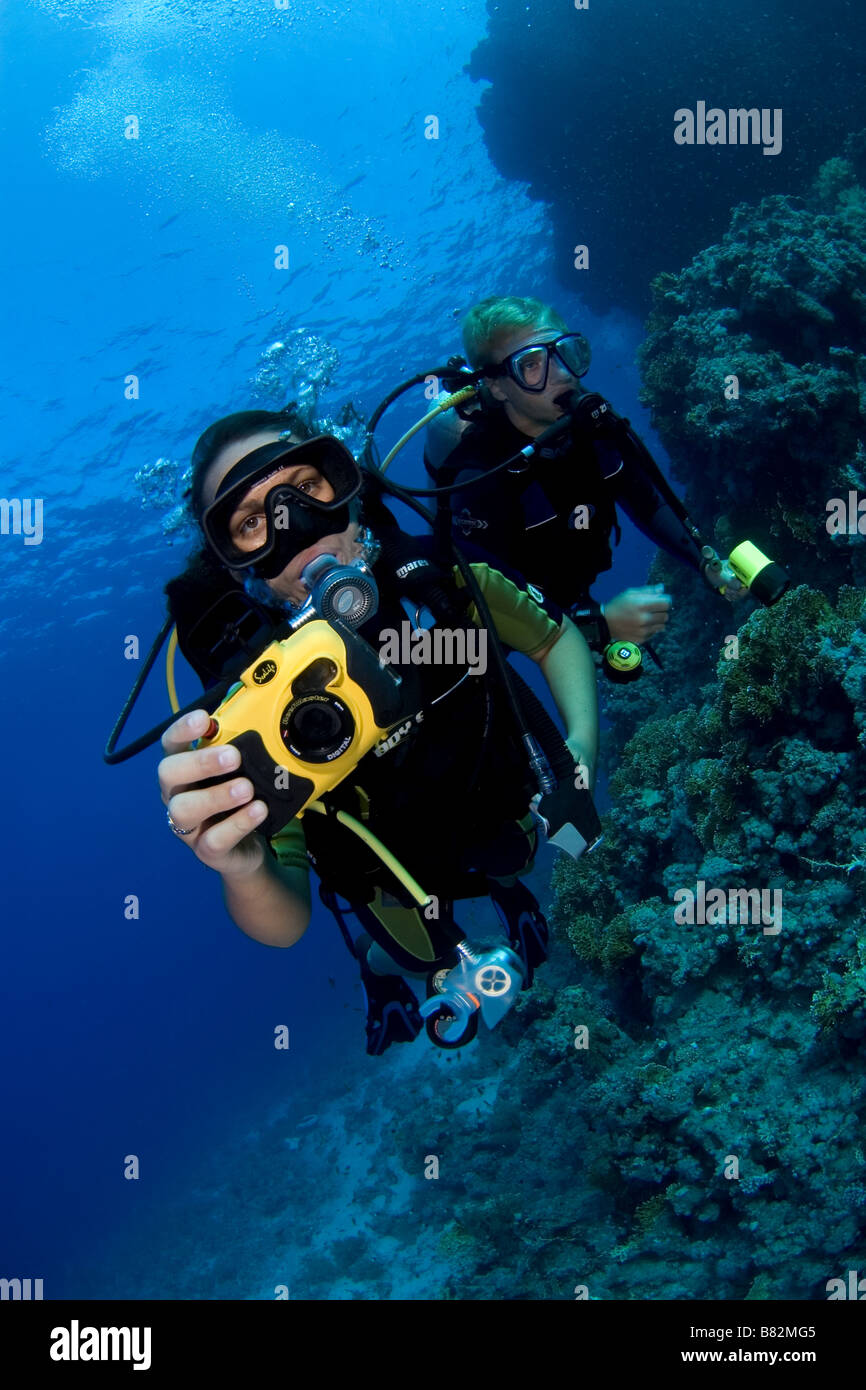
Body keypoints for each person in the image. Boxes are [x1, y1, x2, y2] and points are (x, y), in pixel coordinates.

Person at [157, 408, 599, 1055]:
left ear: (348, 486)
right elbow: (285, 924)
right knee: (413, 954)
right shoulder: (250, 717)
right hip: (394, 883)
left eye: (306, 487)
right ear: (235, 565)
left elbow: (554, 637)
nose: (294, 525)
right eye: (252, 522)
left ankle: (511, 898)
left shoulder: (442, 582)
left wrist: (580, 746)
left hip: (493, 810)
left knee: (518, 857)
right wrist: (239, 864)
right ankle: (376, 968)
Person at [426, 295, 743, 658]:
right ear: (497, 386)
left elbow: (646, 500)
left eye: (565, 352)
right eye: (532, 365)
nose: (562, 374)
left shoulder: (591, 423)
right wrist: (599, 624)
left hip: (568, 597)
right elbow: (480, 624)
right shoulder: (483, 475)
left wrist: (705, 562)